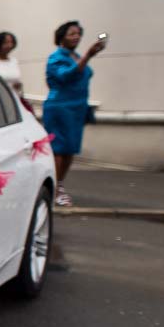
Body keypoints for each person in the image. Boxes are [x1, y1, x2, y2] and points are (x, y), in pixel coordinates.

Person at [43, 20, 106, 207]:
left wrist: (85, 57)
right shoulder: (56, 57)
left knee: (70, 149)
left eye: (78, 33)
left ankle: (60, 185)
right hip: (60, 107)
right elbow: (66, 75)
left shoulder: (75, 56)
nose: (76, 37)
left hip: (77, 108)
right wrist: (88, 55)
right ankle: (53, 189)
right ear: (62, 36)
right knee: (59, 149)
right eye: (71, 33)